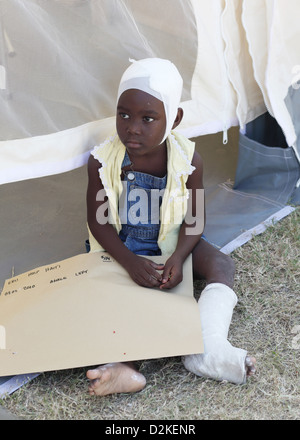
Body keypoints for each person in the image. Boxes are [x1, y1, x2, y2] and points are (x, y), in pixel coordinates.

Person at [85, 58, 256, 396]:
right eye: (124, 115)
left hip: (173, 241)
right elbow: (98, 220)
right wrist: (130, 262)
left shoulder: (189, 161)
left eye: (148, 118)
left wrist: (179, 256)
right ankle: (125, 367)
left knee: (221, 264)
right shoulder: (103, 161)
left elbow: (194, 219)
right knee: (126, 297)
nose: (133, 127)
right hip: (121, 247)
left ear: (174, 119)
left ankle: (207, 348)